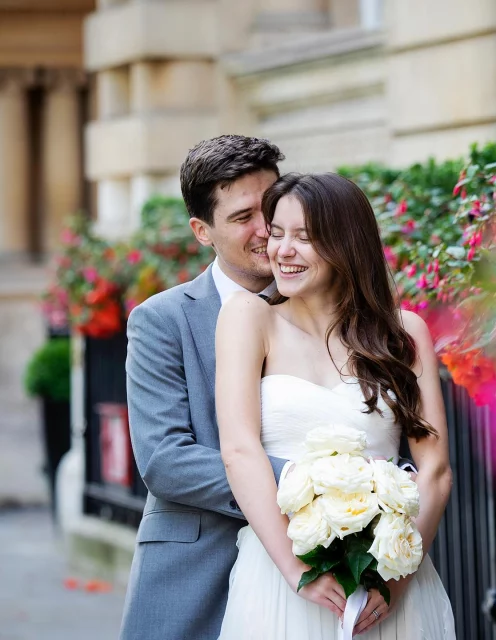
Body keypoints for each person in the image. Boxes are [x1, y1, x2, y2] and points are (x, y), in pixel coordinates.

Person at [216, 173, 456, 638]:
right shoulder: (249, 318)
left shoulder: (404, 333)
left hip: (388, 585)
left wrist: (396, 582)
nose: (282, 250)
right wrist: (297, 573)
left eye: (303, 238)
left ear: (347, 244)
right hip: (283, 581)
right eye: (277, 233)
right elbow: (239, 449)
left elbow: (435, 470)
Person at [119, 135, 290, 640]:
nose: (266, 231)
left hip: (318, 570)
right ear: (202, 231)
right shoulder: (160, 321)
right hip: (198, 571)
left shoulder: (326, 312)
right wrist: (312, 484)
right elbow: (166, 461)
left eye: (272, 208)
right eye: (242, 218)